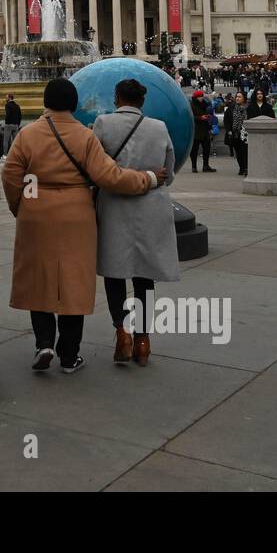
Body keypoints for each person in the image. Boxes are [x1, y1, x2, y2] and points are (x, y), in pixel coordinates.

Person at [2, 78, 165, 374]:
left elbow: (11, 175)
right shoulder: (84, 136)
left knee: (39, 279)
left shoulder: (27, 135)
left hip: (36, 211)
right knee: (72, 284)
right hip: (76, 215)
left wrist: (21, 207)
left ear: (45, 102)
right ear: (74, 104)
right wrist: (148, 179)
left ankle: (44, 343)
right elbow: (110, 177)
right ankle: (68, 355)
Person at [94, 79, 179, 366]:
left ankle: (122, 332)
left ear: (117, 97)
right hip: (150, 206)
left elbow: (96, 169)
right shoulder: (159, 127)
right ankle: (143, 339)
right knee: (144, 277)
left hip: (115, 205)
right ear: (142, 101)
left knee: (114, 273)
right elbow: (169, 172)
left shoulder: (102, 124)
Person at [189, 89, 215, 172]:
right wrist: (200, 118)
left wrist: (208, 117)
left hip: (205, 129)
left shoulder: (205, 104)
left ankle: (206, 166)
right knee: (194, 150)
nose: (201, 98)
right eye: (200, 97)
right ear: (196, 97)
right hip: (196, 130)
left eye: (202, 96)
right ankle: (194, 167)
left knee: (207, 149)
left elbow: (211, 112)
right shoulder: (191, 105)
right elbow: (190, 117)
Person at [223, 91, 249, 175]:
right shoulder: (231, 107)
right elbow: (226, 120)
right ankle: (241, 167)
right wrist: (229, 130)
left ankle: (246, 168)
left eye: (239, 97)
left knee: (245, 152)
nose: (237, 98)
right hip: (235, 133)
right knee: (238, 152)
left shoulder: (248, 108)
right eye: (237, 96)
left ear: (244, 98)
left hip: (246, 134)